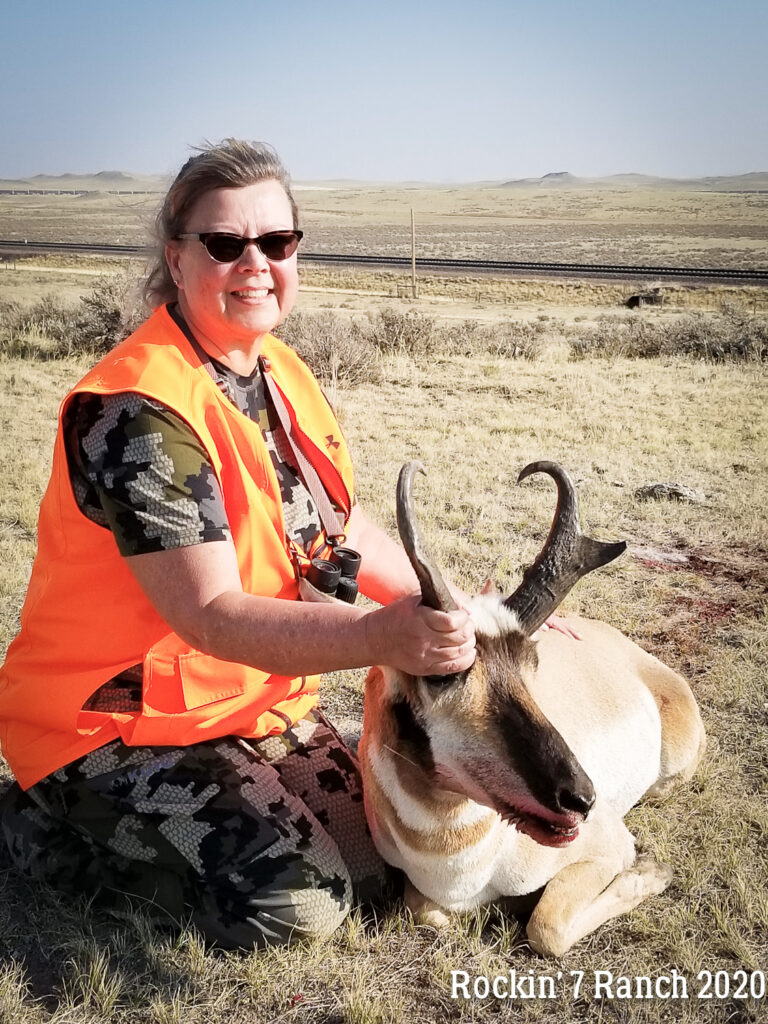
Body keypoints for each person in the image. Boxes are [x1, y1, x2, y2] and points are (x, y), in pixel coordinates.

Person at [0, 139, 477, 949]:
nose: (255, 262)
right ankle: (32, 826)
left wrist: (466, 609)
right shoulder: (136, 413)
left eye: (277, 242)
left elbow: (341, 525)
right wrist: (375, 637)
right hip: (113, 730)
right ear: (177, 258)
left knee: (382, 867)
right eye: (226, 244)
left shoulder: (278, 370)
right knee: (301, 910)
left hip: (251, 703)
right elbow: (213, 616)